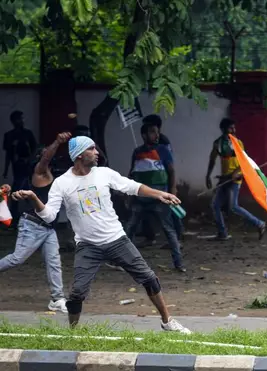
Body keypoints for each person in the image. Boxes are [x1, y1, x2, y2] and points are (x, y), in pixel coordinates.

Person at [12, 136, 190, 333]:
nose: (97, 153)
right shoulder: (62, 183)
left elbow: (131, 186)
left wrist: (159, 194)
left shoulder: (104, 173)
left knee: (149, 278)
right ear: (80, 154)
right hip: (88, 246)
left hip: (117, 240)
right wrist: (35, 198)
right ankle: (73, 332)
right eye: (92, 149)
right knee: (77, 293)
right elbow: (48, 216)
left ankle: (167, 322)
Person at [0, 132, 72, 313]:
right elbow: (47, 157)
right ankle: (57, 298)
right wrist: (57, 141)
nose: (50, 155)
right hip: (32, 225)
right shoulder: (40, 172)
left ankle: (57, 298)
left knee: (54, 263)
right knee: (17, 259)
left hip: (48, 227)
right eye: (46, 153)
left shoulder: (52, 177)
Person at [123, 123, 185, 272]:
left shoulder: (163, 150)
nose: (156, 135)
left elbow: (171, 172)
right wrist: (128, 193)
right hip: (140, 197)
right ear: (144, 135)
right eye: (152, 132)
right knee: (129, 228)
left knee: (168, 230)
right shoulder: (137, 152)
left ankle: (179, 263)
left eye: (157, 132)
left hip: (160, 197)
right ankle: (124, 261)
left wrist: (172, 191)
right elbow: (132, 173)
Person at [206, 118, 265, 240]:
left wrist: (236, 172)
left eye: (234, 128)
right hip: (224, 179)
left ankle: (259, 223)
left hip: (235, 179)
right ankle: (223, 233)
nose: (234, 130)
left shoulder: (238, 143)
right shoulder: (218, 143)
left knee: (233, 206)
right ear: (223, 130)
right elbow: (212, 159)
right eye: (230, 128)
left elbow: (244, 162)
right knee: (215, 205)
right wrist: (208, 175)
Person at [3, 111, 38, 225]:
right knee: (19, 192)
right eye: (18, 119)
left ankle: (33, 216)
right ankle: (15, 219)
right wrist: (6, 170)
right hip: (16, 168)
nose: (21, 121)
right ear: (13, 121)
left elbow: (35, 150)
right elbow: (8, 154)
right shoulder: (9, 135)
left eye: (22, 119)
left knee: (24, 191)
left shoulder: (28, 134)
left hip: (27, 167)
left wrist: (28, 160)